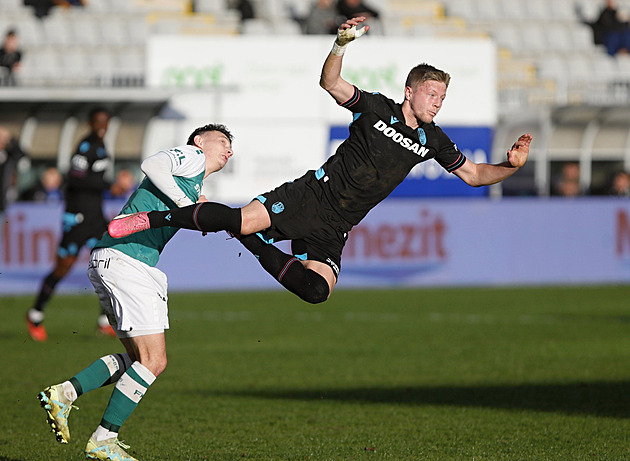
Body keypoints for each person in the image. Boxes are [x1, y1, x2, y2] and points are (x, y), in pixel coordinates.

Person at [109, 17, 532, 305]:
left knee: (316, 292)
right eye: (432, 94)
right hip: (310, 196)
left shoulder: (434, 140)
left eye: (442, 97)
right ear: (410, 91)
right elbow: (329, 81)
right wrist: (340, 46)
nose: (438, 103)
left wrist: (510, 165)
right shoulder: (375, 108)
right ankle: (157, 219)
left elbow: (475, 175)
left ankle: (253, 244)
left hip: (337, 225)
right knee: (237, 219)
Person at [37, 123, 234, 460]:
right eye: (222, 141)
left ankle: (65, 393)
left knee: (139, 361)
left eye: (231, 148)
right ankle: (103, 439)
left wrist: (198, 209)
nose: (228, 150)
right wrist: (186, 201)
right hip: (127, 260)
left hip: (113, 259)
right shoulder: (192, 155)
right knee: (154, 361)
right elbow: (151, 164)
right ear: (200, 141)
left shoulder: (194, 182)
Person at [26, 108, 124, 342]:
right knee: (63, 267)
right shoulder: (85, 146)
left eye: (105, 122)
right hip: (77, 217)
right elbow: (75, 177)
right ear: (91, 123)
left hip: (95, 218)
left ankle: (104, 321)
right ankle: (35, 314)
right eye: (98, 122)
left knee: (109, 263)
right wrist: (108, 187)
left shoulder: (101, 147)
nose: (102, 126)